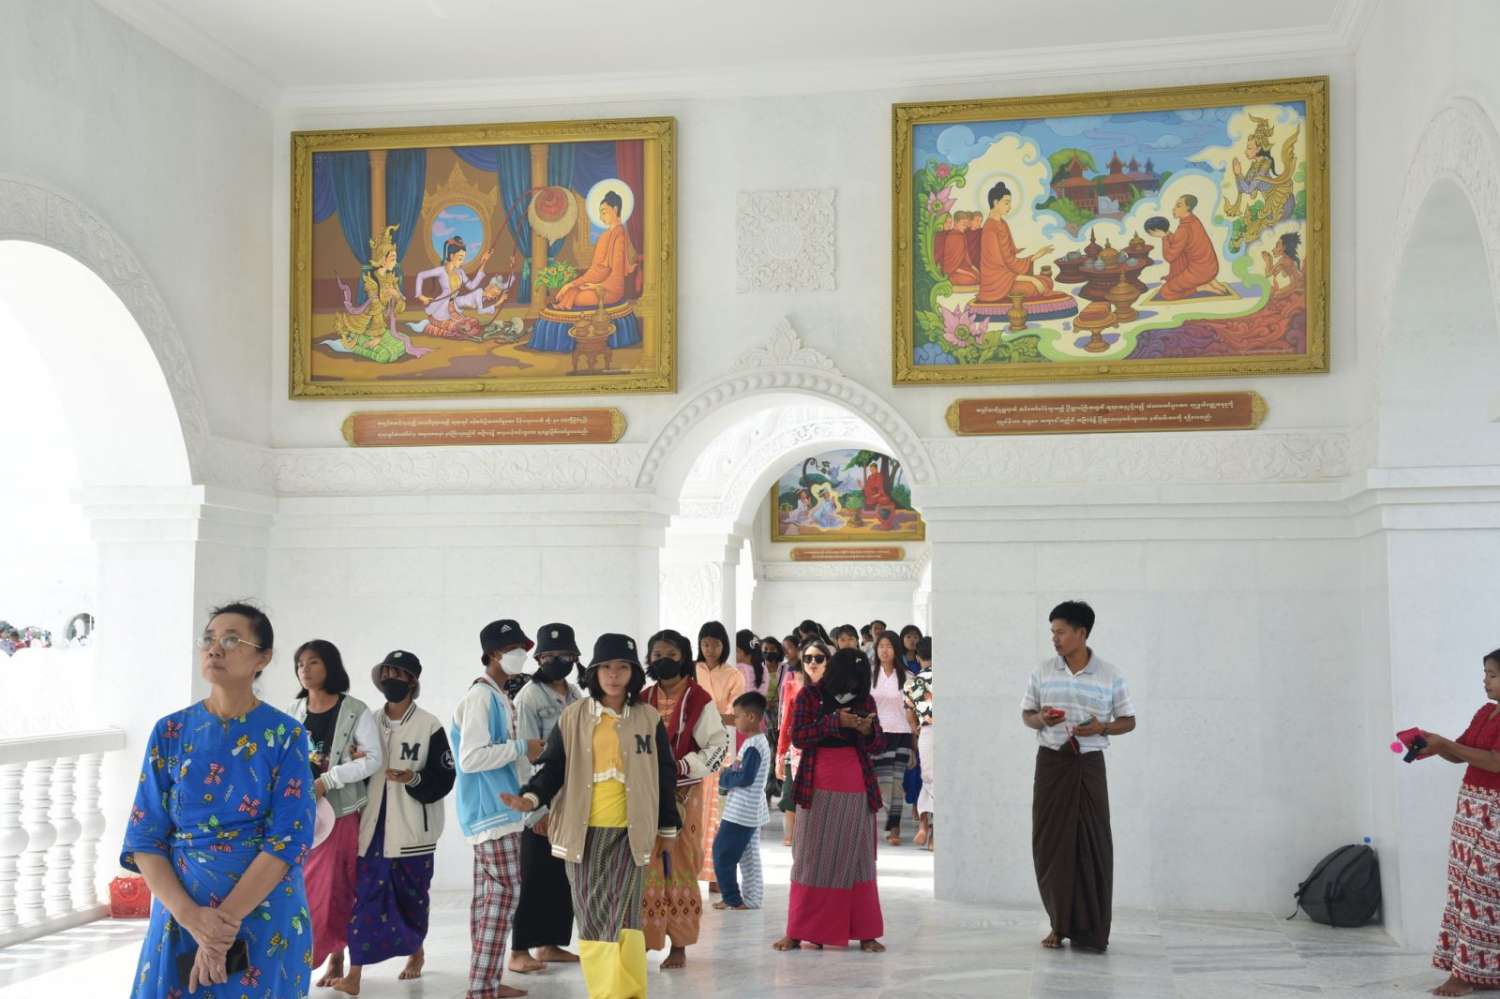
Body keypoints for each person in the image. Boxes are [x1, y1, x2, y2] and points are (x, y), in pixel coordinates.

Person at [123, 602, 316, 997]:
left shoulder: (286, 736)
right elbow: (144, 836)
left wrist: (219, 929)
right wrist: (193, 919)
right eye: (208, 639)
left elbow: (288, 839)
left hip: (263, 915)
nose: (214, 649)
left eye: (231, 640)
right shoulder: (170, 731)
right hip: (181, 916)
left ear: (263, 658)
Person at [501, 634, 680, 999]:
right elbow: (552, 767)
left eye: (623, 667)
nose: (614, 675)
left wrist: (668, 831)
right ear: (594, 672)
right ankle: (607, 992)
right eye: (606, 667)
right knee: (594, 916)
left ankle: (630, 993)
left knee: (626, 917)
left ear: (633, 673)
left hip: (632, 833)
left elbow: (664, 775)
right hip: (584, 834)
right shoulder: (574, 716)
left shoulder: (647, 718)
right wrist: (531, 798)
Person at [334, 650, 456, 995]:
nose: (391, 680)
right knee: (364, 898)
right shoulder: (369, 721)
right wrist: (356, 759)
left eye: (398, 675)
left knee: (412, 898)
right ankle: (354, 973)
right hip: (372, 828)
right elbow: (353, 768)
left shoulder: (429, 725)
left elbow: (445, 777)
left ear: (412, 682)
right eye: (386, 673)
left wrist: (412, 778)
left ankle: (416, 951)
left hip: (412, 831)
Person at [1021, 600, 1137, 953]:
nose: (1054, 638)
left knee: (1093, 845)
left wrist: (1102, 727)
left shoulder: (1110, 674)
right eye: (1052, 632)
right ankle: (1058, 925)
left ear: (1081, 633)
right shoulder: (1043, 672)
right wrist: (1042, 719)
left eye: (1060, 632)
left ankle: (1092, 931)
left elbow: (1128, 720)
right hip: (1051, 765)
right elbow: (1027, 715)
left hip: (1089, 766)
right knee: (1051, 846)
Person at [452, 619, 546, 999]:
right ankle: (482, 988)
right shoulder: (482, 697)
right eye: (512, 649)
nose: (521, 655)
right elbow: (471, 757)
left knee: (488, 901)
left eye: (523, 648)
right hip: (491, 812)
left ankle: (486, 980)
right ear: (492, 654)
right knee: (503, 897)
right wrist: (524, 747)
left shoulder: (498, 696)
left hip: (497, 810)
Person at [774, 647, 886, 954]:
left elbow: (878, 744)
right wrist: (836, 722)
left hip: (857, 784)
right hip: (817, 784)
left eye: (859, 678)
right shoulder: (810, 696)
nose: (853, 683)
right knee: (810, 857)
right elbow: (799, 736)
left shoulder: (866, 700)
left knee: (859, 857)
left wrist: (867, 731)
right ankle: (797, 932)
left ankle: (865, 933)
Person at [288, 639, 384, 988]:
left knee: (333, 887)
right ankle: (305, 958)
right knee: (301, 888)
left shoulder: (355, 710)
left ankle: (325, 957)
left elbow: (374, 759)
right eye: (300, 664)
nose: (305, 669)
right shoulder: (293, 711)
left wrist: (328, 780)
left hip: (340, 812)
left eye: (313, 662)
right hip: (298, 813)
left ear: (330, 666)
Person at [638, 628, 729, 970]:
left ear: (684, 658)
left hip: (684, 792)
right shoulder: (641, 698)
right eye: (657, 655)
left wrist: (682, 766)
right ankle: (643, 940)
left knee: (679, 865)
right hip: (645, 794)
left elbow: (718, 746)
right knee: (644, 864)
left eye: (672, 655)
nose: (664, 660)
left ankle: (679, 945)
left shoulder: (699, 700)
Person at [1419, 649, 1500, 997]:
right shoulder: (1486, 712)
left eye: (1492, 675)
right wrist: (1435, 745)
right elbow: (1462, 751)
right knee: (1462, 886)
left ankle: (1466, 975)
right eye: (1485, 673)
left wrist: (1445, 744)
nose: (1485, 680)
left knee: (1482, 889)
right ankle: (1474, 969)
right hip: (1471, 807)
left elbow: (1495, 762)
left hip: (1495, 809)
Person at [508, 624, 586, 976]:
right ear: (538, 658)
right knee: (534, 876)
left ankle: (550, 944)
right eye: (551, 655)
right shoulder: (529, 697)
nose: (558, 660)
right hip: (540, 799)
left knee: (560, 876)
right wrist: (535, 809)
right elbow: (525, 756)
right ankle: (520, 949)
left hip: (568, 799)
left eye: (565, 655)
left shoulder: (575, 694)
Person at [712, 692, 772, 911]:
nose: (735, 720)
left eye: (737, 716)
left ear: (751, 717)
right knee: (749, 857)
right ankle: (751, 899)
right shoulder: (755, 742)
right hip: (750, 809)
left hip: (741, 812)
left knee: (722, 853)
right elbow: (743, 771)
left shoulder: (754, 745)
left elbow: (745, 777)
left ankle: (733, 899)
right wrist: (730, 771)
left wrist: (725, 777)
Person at [695, 621, 744, 888]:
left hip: (722, 752)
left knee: (719, 815)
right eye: (705, 643)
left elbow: (736, 717)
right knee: (693, 812)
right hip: (692, 751)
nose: (710, 649)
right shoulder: (691, 670)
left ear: (724, 645)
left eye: (715, 644)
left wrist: (706, 716)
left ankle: (717, 875)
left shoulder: (734, 675)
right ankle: (690, 872)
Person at [775, 640, 824, 846]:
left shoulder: (832, 688)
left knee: (817, 797)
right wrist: (780, 754)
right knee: (791, 793)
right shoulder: (792, 685)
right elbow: (786, 721)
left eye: (819, 658)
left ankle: (812, 837)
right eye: (808, 658)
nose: (813, 662)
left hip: (823, 750)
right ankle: (792, 836)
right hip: (796, 750)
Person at [555, 190, 638, 310]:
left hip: (610, 290)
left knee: (577, 298)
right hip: (597, 284)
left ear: (615, 209)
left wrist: (596, 286)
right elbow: (595, 270)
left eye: (604, 212)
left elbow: (617, 275)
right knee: (570, 292)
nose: (601, 217)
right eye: (600, 213)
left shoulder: (619, 234)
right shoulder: (604, 236)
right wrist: (572, 284)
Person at [976, 181, 1053, 304]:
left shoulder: (1003, 224)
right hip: (997, 282)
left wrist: (1034, 257)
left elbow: (1010, 259)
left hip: (1008, 276)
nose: (1010, 207)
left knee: (1047, 282)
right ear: (995, 202)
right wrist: (1031, 279)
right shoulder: (989, 229)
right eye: (1006, 203)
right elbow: (997, 267)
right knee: (1032, 287)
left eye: (1010, 203)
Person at [870, 632, 914, 846]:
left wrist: (915, 743)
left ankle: (894, 826)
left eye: (889, 646)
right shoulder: (870, 675)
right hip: (880, 734)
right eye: (881, 646)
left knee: (897, 780)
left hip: (903, 733)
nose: (884, 650)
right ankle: (892, 822)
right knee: (886, 782)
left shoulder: (907, 676)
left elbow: (913, 711)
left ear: (896, 649)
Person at [1147, 194, 1231, 300]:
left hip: (1200, 271)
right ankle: (1211, 281)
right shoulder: (1193, 220)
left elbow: (1169, 257)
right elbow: (1180, 242)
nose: (1174, 209)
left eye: (1178, 206)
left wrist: (1164, 237)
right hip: (1210, 267)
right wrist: (1168, 234)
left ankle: (1202, 287)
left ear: (1188, 207)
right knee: (1181, 254)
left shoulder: (1184, 229)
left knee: (1166, 292)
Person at [415, 235, 493, 340]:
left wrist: (484, 262)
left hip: (453, 309)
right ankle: (428, 326)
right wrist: (420, 296)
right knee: (457, 329)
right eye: (460, 258)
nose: (462, 261)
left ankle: (434, 326)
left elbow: (472, 286)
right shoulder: (441, 271)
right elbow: (420, 275)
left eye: (463, 258)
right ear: (452, 256)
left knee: (473, 324)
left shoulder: (460, 272)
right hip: (440, 309)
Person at [905, 637, 935, 850]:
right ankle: (934, 834)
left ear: (918, 657)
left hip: (927, 731)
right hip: (948, 732)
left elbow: (909, 713)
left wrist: (915, 729)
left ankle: (924, 823)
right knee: (943, 781)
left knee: (928, 778)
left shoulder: (913, 682)